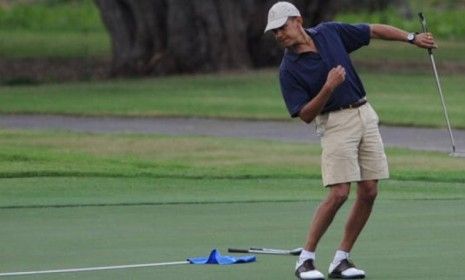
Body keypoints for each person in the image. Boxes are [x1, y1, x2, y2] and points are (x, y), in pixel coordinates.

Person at [264, 2, 437, 280]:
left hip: (364, 113)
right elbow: (306, 114)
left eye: (282, 28)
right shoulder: (289, 69)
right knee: (339, 193)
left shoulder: (330, 33)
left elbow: (372, 31)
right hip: (333, 123)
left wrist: (411, 38)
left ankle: (341, 260)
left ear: (298, 21)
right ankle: (305, 260)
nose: (279, 35)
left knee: (369, 190)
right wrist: (329, 86)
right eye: (274, 32)